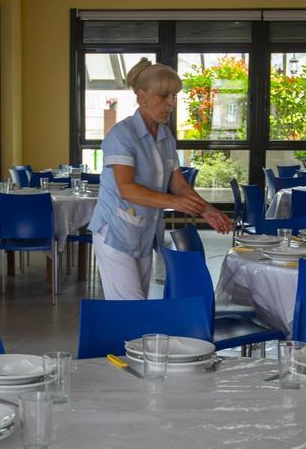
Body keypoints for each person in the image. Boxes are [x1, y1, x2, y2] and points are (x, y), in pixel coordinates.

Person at [89, 58, 233, 300]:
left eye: (174, 97)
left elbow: (179, 185)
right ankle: (126, 339)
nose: (170, 103)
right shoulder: (122, 135)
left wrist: (207, 210)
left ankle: (130, 339)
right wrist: (174, 202)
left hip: (143, 232)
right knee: (132, 309)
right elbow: (127, 189)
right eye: (163, 96)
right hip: (114, 231)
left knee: (137, 304)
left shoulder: (165, 136)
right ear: (141, 95)